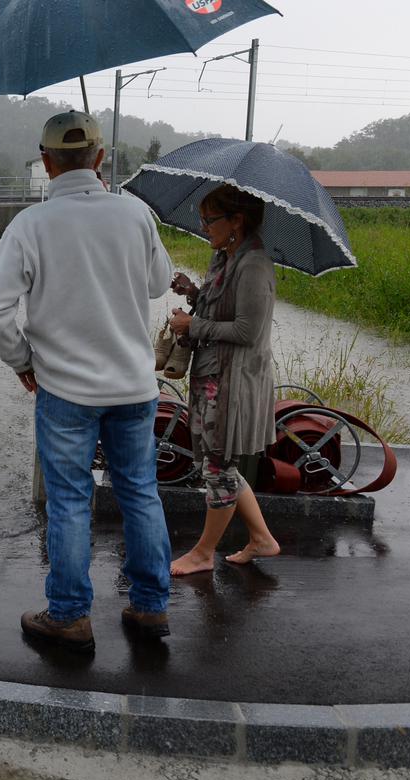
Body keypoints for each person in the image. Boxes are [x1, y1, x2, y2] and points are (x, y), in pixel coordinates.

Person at [0, 110, 173, 652]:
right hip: (135, 388)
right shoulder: (135, 214)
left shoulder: (30, 226)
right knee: (139, 492)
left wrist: (23, 363)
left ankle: (69, 616)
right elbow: (159, 284)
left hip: (65, 391)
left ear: (45, 161)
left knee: (69, 499)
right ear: (101, 157)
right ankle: (151, 606)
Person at [167, 185, 281, 575]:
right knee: (221, 464)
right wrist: (194, 293)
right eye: (202, 219)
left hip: (234, 384)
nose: (204, 227)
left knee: (218, 466)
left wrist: (193, 324)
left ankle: (203, 552)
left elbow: (248, 330)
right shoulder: (223, 257)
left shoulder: (254, 265)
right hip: (212, 375)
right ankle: (262, 539)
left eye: (210, 220)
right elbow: (223, 308)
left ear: (237, 219)